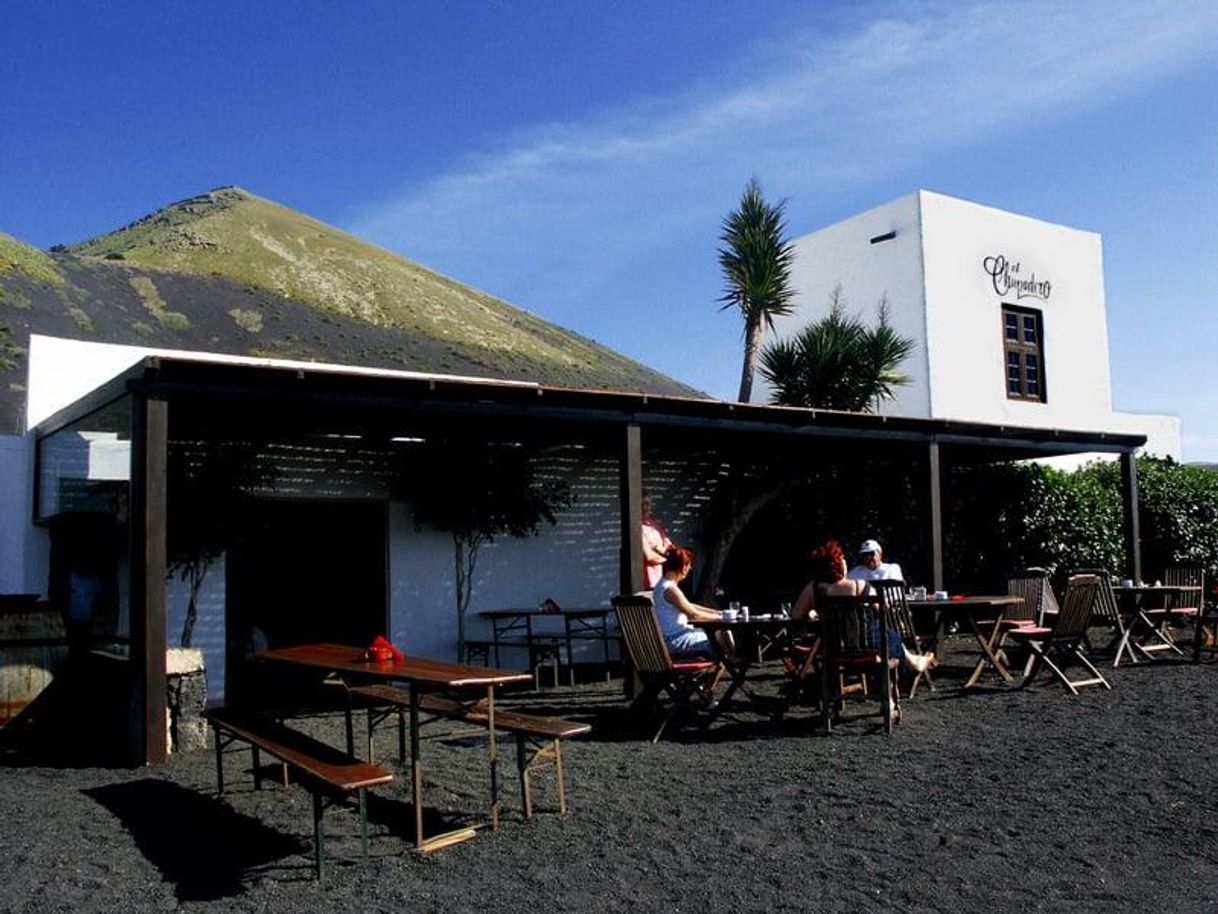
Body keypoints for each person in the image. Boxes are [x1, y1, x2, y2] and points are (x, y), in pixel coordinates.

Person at [791, 540, 932, 674]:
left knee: (886, 635)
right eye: (842, 559)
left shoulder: (813, 588)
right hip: (865, 645)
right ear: (838, 564)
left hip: (831, 647)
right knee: (890, 635)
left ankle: (910, 662)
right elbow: (882, 611)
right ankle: (910, 663)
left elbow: (795, 616)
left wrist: (815, 612)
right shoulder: (859, 585)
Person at [652, 545, 730, 659]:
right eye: (689, 566)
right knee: (719, 643)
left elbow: (688, 606)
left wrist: (718, 613)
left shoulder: (663, 585)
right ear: (683, 567)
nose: (690, 569)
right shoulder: (670, 589)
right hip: (676, 640)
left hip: (673, 638)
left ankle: (732, 664)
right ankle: (734, 665)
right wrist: (721, 618)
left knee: (720, 635)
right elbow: (694, 614)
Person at [641, 491, 673, 589]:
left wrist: (657, 549)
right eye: (643, 504)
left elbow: (670, 548)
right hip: (646, 583)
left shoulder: (654, 524)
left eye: (648, 503)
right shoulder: (637, 527)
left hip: (659, 581)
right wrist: (667, 558)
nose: (647, 508)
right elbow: (649, 557)